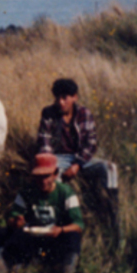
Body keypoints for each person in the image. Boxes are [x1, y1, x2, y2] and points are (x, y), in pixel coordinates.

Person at [0, 153, 84, 273]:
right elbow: (12, 217)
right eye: (38, 177)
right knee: (3, 233)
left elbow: (79, 225)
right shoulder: (26, 191)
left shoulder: (66, 193)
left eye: (46, 176)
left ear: (55, 174)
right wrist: (16, 222)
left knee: (73, 237)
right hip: (32, 238)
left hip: (55, 239)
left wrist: (60, 230)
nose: (43, 181)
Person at [37, 78, 119, 239]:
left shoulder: (84, 113)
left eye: (65, 97)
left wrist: (77, 165)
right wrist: (52, 167)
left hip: (80, 158)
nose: (61, 102)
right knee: (52, 180)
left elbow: (91, 144)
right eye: (57, 98)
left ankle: (112, 214)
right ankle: (58, 225)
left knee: (110, 168)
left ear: (74, 97)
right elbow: (44, 143)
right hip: (58, 158)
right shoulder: (48, 113)